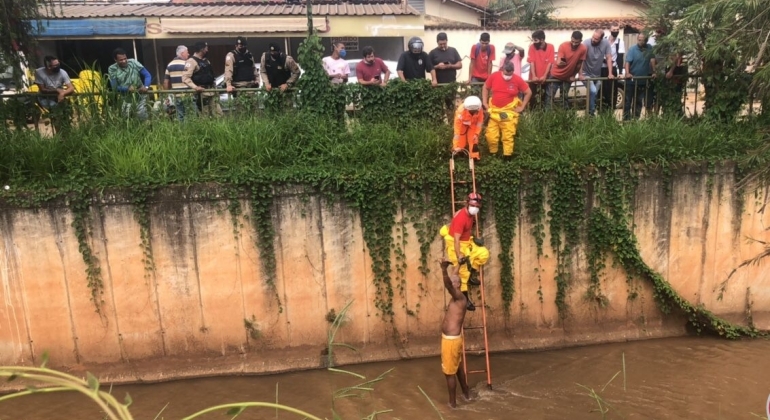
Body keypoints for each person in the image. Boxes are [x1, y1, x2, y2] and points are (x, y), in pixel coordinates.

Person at [482, 61, 532, 158]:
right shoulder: (494, 76)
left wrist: (522, 107)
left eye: (510, 74)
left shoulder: (517, 79)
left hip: (509, 112)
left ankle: (507, 155)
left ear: (513, 71)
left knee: (508, 135)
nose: (508, 76)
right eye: (506, 74)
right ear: (502, 70)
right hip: (494, 111)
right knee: (491, 135)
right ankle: (493, 153)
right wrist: (484, 102)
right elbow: (485, 87)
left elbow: (528, 92)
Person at [439, 259, 471, 409]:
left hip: (450, 341)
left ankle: (452, 404)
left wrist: (443, 269)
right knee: (457, 368)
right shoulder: (458, 296)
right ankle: (466, 393)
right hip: (453, 339)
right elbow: (454, 276)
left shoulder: (459, 296)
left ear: (457, 285)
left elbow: (447, 284)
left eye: (454, 282)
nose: (451, 282)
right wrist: (459, 264)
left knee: (449, 373)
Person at [444, 192, 483, 311]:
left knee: (483, 254)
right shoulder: (461, 218)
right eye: (473, 206)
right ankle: (465, 300)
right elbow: (456, 240)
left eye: (477, 207)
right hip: (456, 244)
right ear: (467, 204)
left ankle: (472, 273)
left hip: (466, 242)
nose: (475, 208)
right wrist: (458, 255)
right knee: (463, 272)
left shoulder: (470, 214)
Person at [108, 48, 151, 120]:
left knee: (142, 117)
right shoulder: (112, 69)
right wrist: (127, 89)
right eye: (121, 60)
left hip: (140, 95)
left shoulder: (133, 62)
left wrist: (146, 86)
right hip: (125, 98)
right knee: (126, 119)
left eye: (125, 58)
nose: (124, 61)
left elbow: (147, 75)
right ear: (115, 60)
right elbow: (114, 87)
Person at [34, 55, 74, 133]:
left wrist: (62, 93)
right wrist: (57, 90)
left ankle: (67, 134)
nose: (58, 66)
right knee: (56, 112)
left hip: (58, 97)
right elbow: (43, 90)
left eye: (58, 64)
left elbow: (71, 88)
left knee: (66, 113)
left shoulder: (62, 72)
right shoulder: (39, 72)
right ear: (49, 67)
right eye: (55, 65)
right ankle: (59, 134)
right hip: (45, 97)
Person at [182, 41, 223, 118]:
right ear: (201, 49)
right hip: (202, 94)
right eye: (206, 48)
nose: (207, 50)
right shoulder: (191, 61)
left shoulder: (206, 61)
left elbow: (211, 76)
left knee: (219, 115)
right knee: (205, 117)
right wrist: (195, 87)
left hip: (212, 91)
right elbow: (185, 78)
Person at [548, 31, 586, 110]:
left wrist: (573, 75)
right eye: (573, 41)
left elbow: (579, 64)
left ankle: (565, 117)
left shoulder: (583, 48)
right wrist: (559, 62)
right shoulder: (563, 46)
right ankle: (546, 118)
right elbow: (559, 58)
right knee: (549, 97)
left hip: (567, 77)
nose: (574, 44)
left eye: (577, 42)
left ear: (580, 41)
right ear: (571, 38)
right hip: (555, 75)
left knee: (564, 98)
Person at [623, 33, 657, 120]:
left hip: (642, 80)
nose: (641, 41)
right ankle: (626, 120)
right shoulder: (632, 49)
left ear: (646, 40)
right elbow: (627, 62)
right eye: (640, 39)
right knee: (628, 101)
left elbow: (652, 59)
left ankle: (635, 119)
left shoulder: (649, 48)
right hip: (631, 80)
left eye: (643, 40)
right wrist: (627, 73)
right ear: (637, 39)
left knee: (638, 101)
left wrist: (654, 71)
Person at [582, 29, 614, 116]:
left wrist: (610, 73)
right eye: (593, 37)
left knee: (595, 93)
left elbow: (608, 58)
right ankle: (591, 113)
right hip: (586, 73)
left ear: (601, 39)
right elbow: (581, 59)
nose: (593, 39)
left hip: (597, 74)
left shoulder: (606, 43)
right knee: (593, 90)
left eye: (596, 39)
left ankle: (588, 111)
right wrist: (580, 74)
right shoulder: (586, 42)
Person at [527, 30, 554, 109]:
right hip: (533, 79)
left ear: (542, 40)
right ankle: (533, 119)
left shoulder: (550, 47)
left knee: (543, 99)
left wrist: (545, 76)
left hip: (545, 79)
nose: (534, 42)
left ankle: (542, 119)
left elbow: (550, 63)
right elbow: (532, 62)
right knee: (532, 100)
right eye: (533, 40)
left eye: (536, 40)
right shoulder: (532, 47)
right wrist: (534, 76)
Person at [601, 23, 625, 112]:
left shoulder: (620, 42)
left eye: (617, 30)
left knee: (612, 91)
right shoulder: (604, 40)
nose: (616, 32)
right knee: (602, 90)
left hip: (613, 68)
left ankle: (611, 110)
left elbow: (620, 57)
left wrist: (621, 72)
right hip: (602, 68)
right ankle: (602, 110)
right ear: (610, 30)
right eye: (614, 30)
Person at [163, 45, 189, 121]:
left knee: (180, 115)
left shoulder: (169, 65)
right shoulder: (187, 64)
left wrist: (166, 96)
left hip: (177, 95)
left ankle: (181, 132)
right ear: (182, 53)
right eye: (187, 52)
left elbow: (165, 82)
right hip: (187, 94)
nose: (188, 54)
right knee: (189, 115)